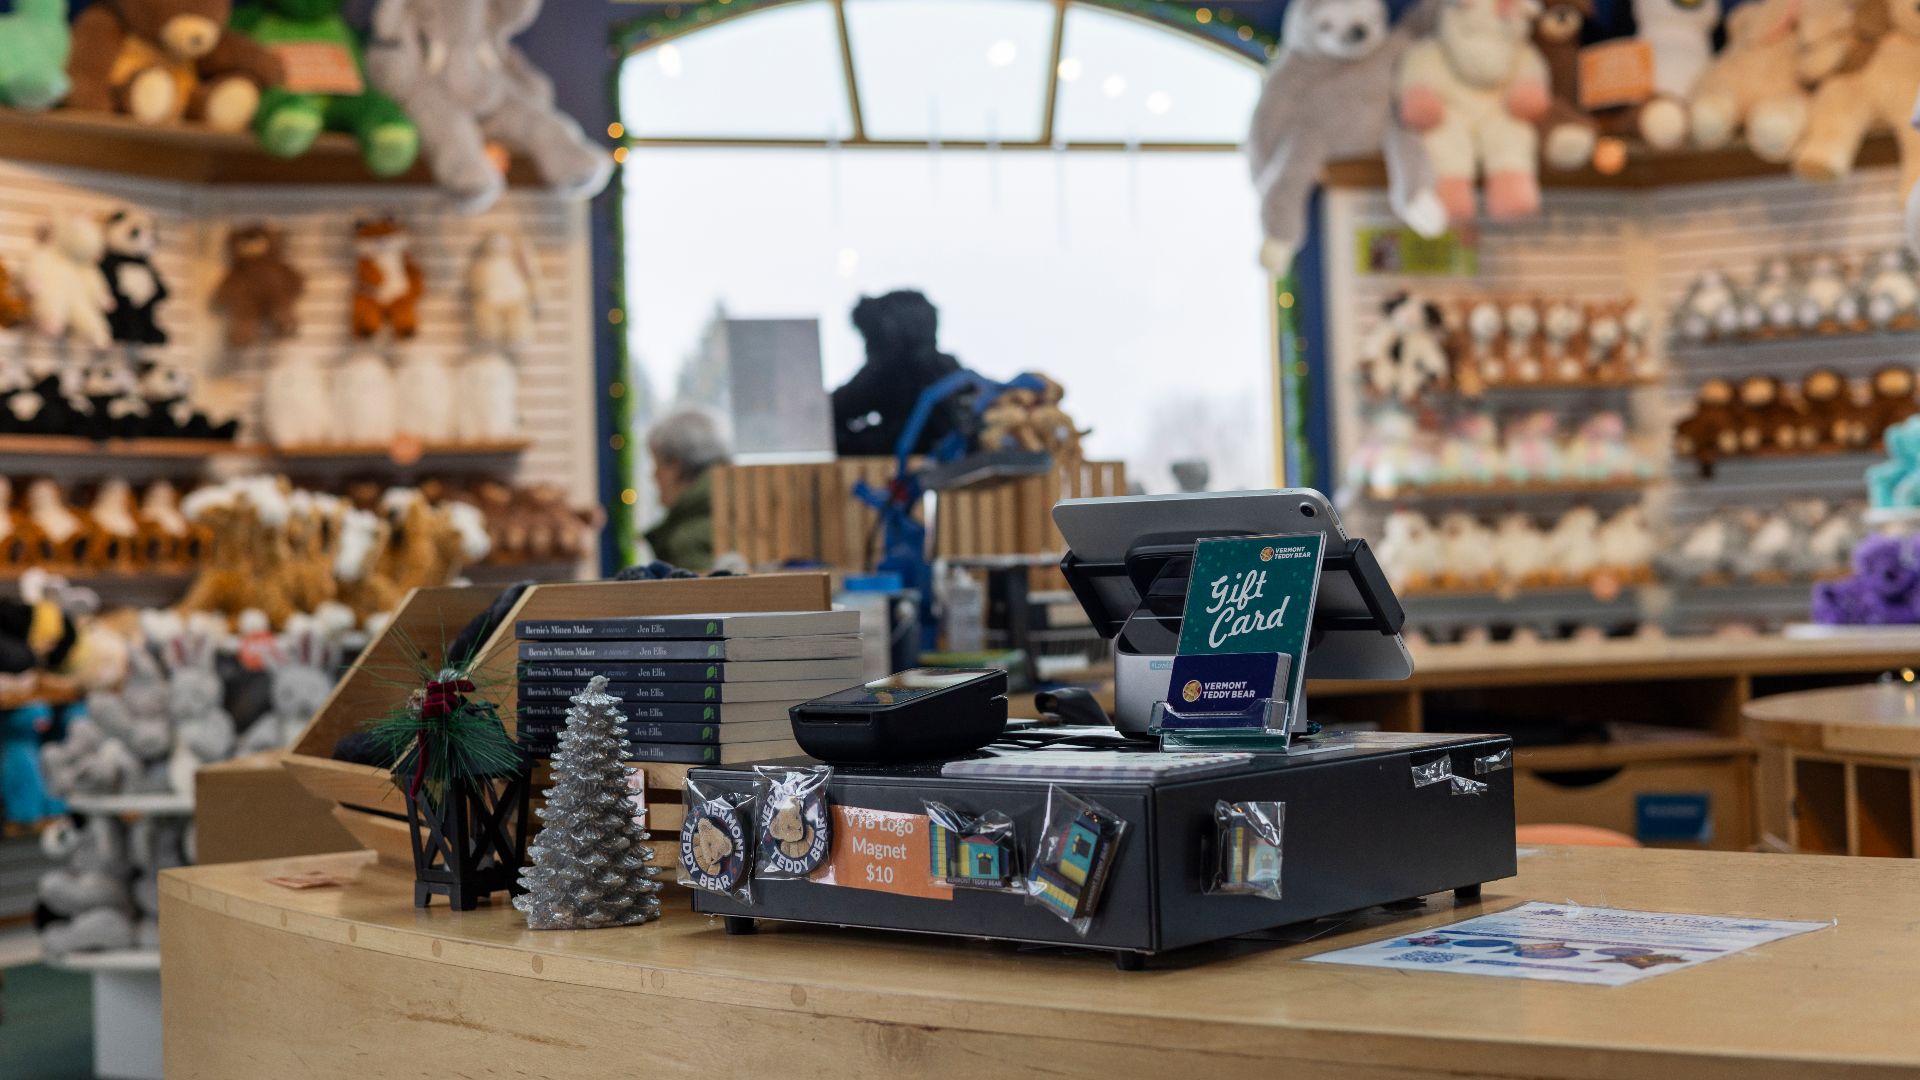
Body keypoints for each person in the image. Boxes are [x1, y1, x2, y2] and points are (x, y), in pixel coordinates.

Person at [644, 408, 730, 572]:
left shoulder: (688, 541)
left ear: (676, 465)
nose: (653, 476)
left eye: (657, 464)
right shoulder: (741, 508)